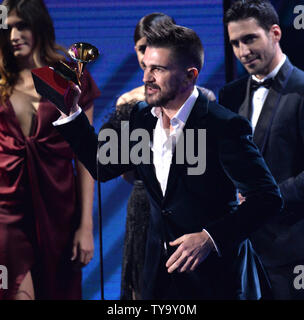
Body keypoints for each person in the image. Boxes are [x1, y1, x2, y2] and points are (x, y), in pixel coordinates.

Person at [54, 22, 282, 300]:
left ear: (190, 76)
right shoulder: (140, 118)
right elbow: (103, 166)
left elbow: (267, 198)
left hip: (215, 279)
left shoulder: (223, 126)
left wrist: (209, 238)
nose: (146, 78)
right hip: (158, 276)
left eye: (158, 69)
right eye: (146, 67)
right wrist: (72, 113)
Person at [0, 0, 100, 300]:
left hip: (59, 210)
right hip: (5, 212)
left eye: (23, 25)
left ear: (39, 25)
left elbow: (86, 156)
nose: (14, 34)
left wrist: (85, 225)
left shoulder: (71, 77)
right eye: (8, 28)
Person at [117, 13, 216, 300]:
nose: (147, 55)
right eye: (140, 49)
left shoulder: (204, 99)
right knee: (142, 286)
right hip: (144, 205)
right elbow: (125, 170)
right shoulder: (128, 104)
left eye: (153, 46)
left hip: (188, 204)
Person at [220, 0, 304, 299]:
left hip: (291, 250)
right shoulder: (229, 95)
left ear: (276, 33)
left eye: (250, 38)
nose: (243, 51)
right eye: (235, 43)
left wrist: (265, 199)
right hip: (240, 250)